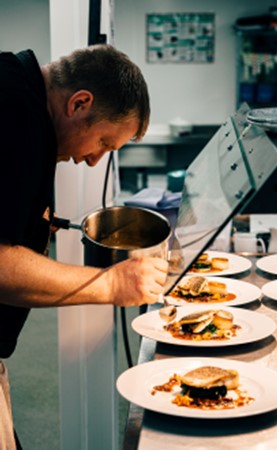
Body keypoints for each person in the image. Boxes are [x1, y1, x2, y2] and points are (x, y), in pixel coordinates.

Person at [0, 45, 166, 447]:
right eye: (105, 142)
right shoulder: (13, 111)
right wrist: (112, 284)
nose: (94, 160)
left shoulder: (19, 92)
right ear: (79, 103)